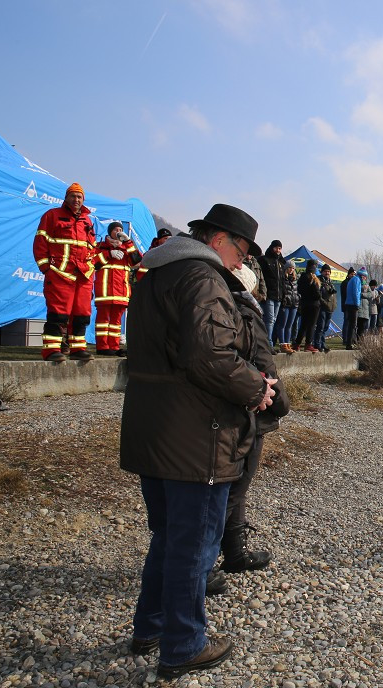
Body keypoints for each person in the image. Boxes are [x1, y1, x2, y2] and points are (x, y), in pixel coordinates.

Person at [120, 203, 278, 679]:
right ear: (218, 241)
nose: (241, 264)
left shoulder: (154, 276)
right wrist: (258, 388)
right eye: (241, 251)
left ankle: (150, 626)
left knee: (168, 537)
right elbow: (209, 358)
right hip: (196, 434)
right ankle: (183, 644)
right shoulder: (202, 278)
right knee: (195, 545)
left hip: (155, 428)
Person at [217, 263, 290, 575]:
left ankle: (234, 553)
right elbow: (263, 360)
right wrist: (282, 403)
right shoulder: (247, 311)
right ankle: (204, 565)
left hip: (229, 406)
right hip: (251, 408)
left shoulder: (221, 305)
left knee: (233, 487)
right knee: (235, 486)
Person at [33, 182, 97, 362]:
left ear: (83, 200)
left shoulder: (87, 220)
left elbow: (90, 246)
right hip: (60, 274)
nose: (76, 199)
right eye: (73, 196)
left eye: (79, 197)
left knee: (82, 314)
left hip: (83, 275)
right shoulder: (52, 215)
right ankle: (51, 350)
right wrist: (47, 268)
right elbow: (40, 243)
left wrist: (91, 266)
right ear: (66, 198)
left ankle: (78, 349)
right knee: (58, 314)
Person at [93, 221, 141, 356]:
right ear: (109, 232)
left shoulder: (126, 248)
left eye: (120, 229)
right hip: (105, 290)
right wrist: (109, 254)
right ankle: (102, 346)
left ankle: (113, 347)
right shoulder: (101, 246)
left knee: (116, 322)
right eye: (115, 229)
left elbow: (137, 261)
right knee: (103, 320)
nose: (118, 231)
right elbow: (93, 263)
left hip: (121, 291)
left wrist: (129, 242)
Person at [258, 240, 285, 344]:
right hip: (269, 294)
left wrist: (283, 294)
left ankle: (269, 341)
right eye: (276, 248)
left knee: (273, 320)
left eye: (279, 248)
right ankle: (268, 343)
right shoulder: (265, 260)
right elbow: (262, 278)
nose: (278, 250)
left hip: (278, 296)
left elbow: (282, 280)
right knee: (269, 320)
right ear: (272, 248)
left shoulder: (281, 262)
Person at [293, 259, 321, 352]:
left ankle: (297, 343)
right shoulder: (313, 278)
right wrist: (319, 295)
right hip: (313, 304)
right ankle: (308, 344)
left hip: (304, 303)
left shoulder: (302, 277)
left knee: (303, 325)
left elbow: (300, 290)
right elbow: (316, 294)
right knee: (312, 325)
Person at [272, 263, 299, 354]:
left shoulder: (295, 279)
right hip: (285, 304)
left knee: (290, 325)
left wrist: (298, 297)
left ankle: (288, 343)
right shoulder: (282, 278)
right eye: (290, 268)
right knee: (282, 324)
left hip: (294, 304)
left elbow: (296, 290)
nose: (291, 270)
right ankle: (282, 343)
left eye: (293, 268)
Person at [314, 264, 337, 352]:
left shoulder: (330, 282)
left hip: (330, 308)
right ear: (322, 272)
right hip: (322, 307)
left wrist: (334, 305)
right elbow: (318, 295)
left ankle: (323, 344)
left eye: (328, 271)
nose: (327, 273)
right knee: (320, 326)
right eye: (325, 271)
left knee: (326, 327)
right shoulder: (319, 281)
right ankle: (317, 344)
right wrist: (325, 303)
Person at [342, 266, 362, 349]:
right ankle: (349, 343)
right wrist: (357, 303)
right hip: (353, 304)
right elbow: (356, 292)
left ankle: (349, 342)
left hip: (348, 304)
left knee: (350, 324)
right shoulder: (357, 280)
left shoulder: (351, 280)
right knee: (353, 325)